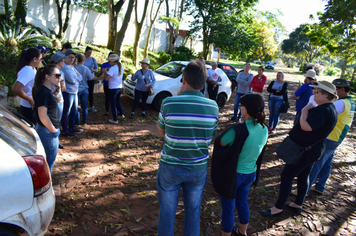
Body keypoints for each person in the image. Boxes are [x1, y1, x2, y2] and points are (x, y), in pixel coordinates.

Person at [156, 60, 219, 236]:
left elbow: (162, 130)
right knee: (193, 213)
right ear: (204, 82)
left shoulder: (169, 103)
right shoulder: (213, 106)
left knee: (167, 214)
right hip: (197, 168)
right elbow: (210, 134)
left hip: (170, 166)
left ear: (183, 80)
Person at [262, 81, 338, 216]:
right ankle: (298, 203)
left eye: (317, 91)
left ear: (325, 95)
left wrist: (304, 111)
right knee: (303, 176)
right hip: (312, 150)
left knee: (287, 175)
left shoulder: (324, 110)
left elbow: (306, 127)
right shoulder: (328, 108)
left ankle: (278, 208)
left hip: (306, 151)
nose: (313, 93)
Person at [212, 94, 268, 236]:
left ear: (247, 109)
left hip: (233, 175)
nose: (241, 109)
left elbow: (221, 143)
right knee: (242, 203)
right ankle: (243, 232)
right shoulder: (264, 128)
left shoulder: (238, 130)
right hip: (250, 174)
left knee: (229, 208)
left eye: (242, 106)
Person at [306, 79, 355, 195]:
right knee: (327, 163)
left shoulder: (341, 103)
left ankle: (305, 190)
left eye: (336, 89)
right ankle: (320, 186)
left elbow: (327, 112)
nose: (334, 92)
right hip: (337, 137)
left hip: (331, 137)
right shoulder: (350, 102)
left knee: (316, 164)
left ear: (343, 89)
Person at [32, 64, 61, 172]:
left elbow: (55, 100)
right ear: (47, 76)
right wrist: (53, 130)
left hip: (47, 131)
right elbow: (42, 115)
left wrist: (56, 90)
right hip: (48, 132)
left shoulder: (46, 91)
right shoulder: (43, 92)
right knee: (47, 164)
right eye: (57, 75)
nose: (60, 78)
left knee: (47, 162)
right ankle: (47, 187)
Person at [12, 48, 42, 125]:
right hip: (29, 107)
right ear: (34, 59)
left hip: (30, 106)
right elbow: (16, 88)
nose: (41, 61)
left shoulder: (32, 69)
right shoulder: (27, 71)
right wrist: (30, 100)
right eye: (40, 59)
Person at [75, 53, 103, 125]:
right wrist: (101, 78)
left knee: (76, 106)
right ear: (83, 60)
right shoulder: (85, 68)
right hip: (85, 89)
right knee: (84, 106)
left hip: (77, 89)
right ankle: (84, 121)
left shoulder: (73, 67)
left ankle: (77, 121)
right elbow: (92, 78)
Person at [61, 49, 83, 138]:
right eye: (70, 57)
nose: (71, 59)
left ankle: (71, 127)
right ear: (65, 57)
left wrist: (76, 77)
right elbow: (72, 79)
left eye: (73, 58)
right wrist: (76, 77)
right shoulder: (64, 67)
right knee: (67, 111)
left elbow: (80, 77)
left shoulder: (72, 67)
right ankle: (65, 130)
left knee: (74, 110)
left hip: (75, 92)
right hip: (68, 92)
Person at [50, 53, 67, 149]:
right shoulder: (51, 72)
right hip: (54, 100)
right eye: (63, 61)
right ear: (59, 62)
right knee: (53, 121)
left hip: (60, 100)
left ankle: (56, 140)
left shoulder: (62, 73)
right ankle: (53, 140)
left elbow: (63, 88)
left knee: (58, 121)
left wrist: (61, 84)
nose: (64, 63)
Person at [102, 54, 125, 124]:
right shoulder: (121, 67)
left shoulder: (112, 69)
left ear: (112, 61)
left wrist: (105, 71)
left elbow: (106, 78)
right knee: (118, 101)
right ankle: (121, 114)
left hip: (113, 88)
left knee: (113, 104)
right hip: (119, 87)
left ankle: (115, 119)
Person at [83, 46, 99, 112]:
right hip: (84, 79)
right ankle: (83, 105)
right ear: (85, 52)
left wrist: (93, 70)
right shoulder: (82, 59)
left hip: (91, 78)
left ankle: (91, 105)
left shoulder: (93, 59)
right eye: (88, 52)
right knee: (83, 92)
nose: (89, 54)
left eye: (90, 53)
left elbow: (97, 69)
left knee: (91, 92)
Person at [101, 52, 115, 116]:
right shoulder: (104, 64)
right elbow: (101, 73)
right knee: (107, 97)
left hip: (114, 84)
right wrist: (103, 70)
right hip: (106, 83)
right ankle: (107, 111)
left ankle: (114, 110)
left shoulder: (116, 65)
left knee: (113, 98)